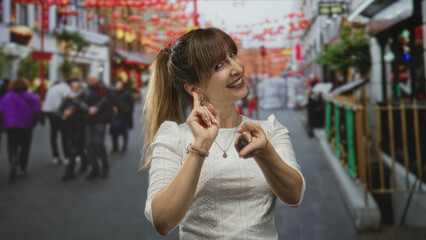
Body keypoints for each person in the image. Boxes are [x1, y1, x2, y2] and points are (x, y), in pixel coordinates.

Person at [142, 28, 305, 239]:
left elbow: (294, 196)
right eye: (219, 65)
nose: (237, 68)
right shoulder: (173, 136)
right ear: (194, 88)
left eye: (233, 55)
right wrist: (199, 147)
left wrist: (264, 152)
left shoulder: (269, 130)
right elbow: (162, 221)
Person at [0, 78, 41, 181]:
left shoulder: (7, 96)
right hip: (26, 125)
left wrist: (3, 124)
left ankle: (13, 159)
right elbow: (37, 110)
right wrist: (34, 122)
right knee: (25, 146)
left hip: (11, 125)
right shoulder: (31, 96)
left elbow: (1, 110)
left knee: (12, 145)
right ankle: (23, 168)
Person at [81, 76, 112, 180]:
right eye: (90, 80)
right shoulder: (85, 91)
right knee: (89, 145)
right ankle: (94, 168)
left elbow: (105, 100)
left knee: (98, 144)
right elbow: (79, 101)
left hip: (100, 120)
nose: (92, 81)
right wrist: (87, 108)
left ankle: (105, 166)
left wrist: (96, 108)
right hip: (89, 120)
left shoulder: (103, 90)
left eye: (94, 80)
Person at [59, 79, 89, 181]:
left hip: (81, 127)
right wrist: (64, 112)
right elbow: (60, 109)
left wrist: (74, 107)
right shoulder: (68, 98)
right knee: (77, 148)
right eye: (73, 87)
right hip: (69, 127)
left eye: (77, 87)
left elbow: (87, 109)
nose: (75, 89)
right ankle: (85, 162)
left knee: (74, 149)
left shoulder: (84, 97)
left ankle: (69, 172)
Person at [41, 80, 72, 165]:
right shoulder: (65, 88)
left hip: (49, 112)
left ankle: (55, 156)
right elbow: (68, 99)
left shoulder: (52, 88)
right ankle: (66, 156)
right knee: (64, 134)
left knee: (53, 134)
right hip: (59, 113)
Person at [109, 80, 134, 155]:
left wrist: (119, 106)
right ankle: (115, 147)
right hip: (115, 116)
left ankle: (124, 147)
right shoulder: (113, 93)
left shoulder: (127, 94)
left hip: (124, 116)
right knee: (114, 133)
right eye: (117, 85)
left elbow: (130, 106)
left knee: (124, 132)